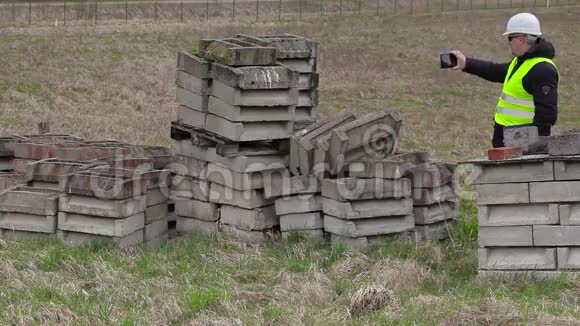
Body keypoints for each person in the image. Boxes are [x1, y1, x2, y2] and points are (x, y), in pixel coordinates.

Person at [450, 13, 559, 148]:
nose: (508, 42)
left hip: (521, 146)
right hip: (507, 140)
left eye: (510, 37)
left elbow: (547, 117)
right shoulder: (521, 62)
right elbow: (494, 71)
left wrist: (534, 150)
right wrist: (466, 63)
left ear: (521, 39)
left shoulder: (542, 69)